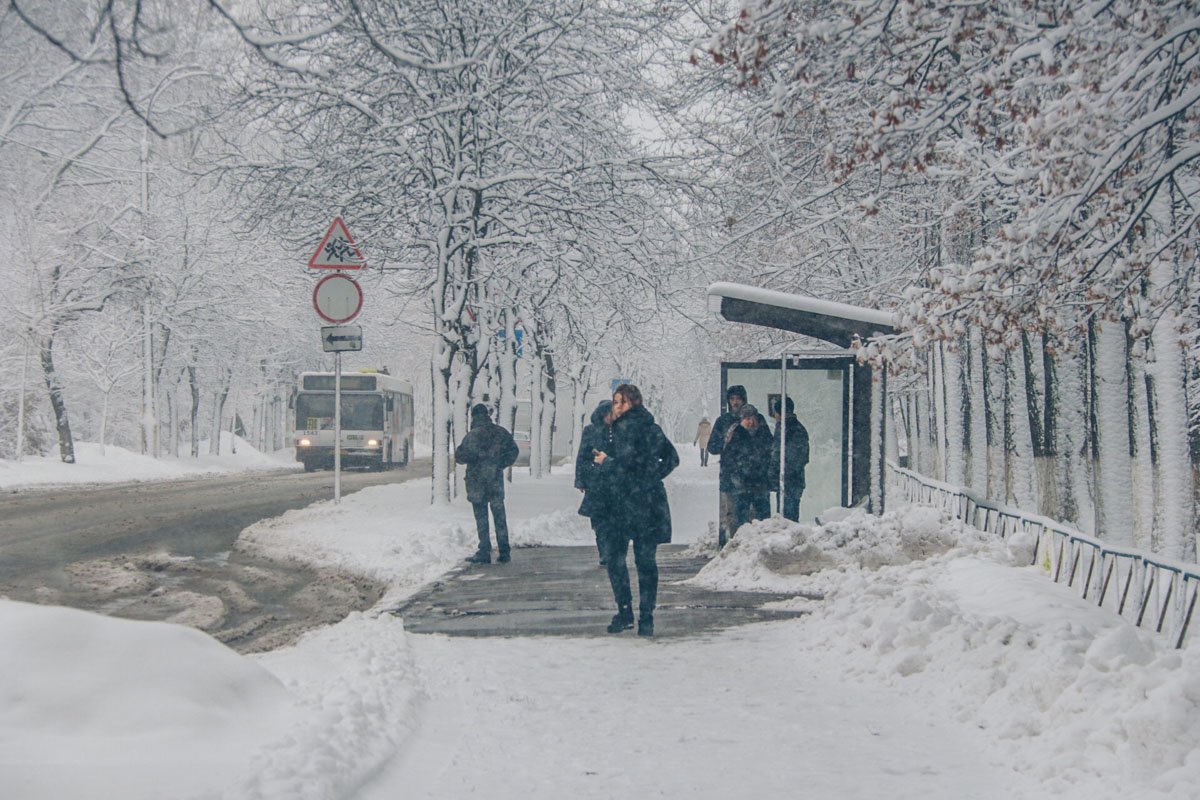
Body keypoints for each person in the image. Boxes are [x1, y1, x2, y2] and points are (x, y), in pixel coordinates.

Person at [593, 383, 678, 637]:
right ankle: (646, 616)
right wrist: (651, 478)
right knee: (645, 561)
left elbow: (626, 466)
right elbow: (672, 459)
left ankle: (626, 611)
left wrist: (607, 462)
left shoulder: (621, 431)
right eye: (615, 401)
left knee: (616, 559)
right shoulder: (652, 429)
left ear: (635, 402)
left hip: (621, 503)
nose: (617, 407)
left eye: (623, 402)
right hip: (648, 503)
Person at [455, 403, 520, 564]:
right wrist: (500, 464)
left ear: (474, 417)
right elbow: (514, 450)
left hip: (477, 481)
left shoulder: (472, 435)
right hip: (495, 479)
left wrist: (475, 459)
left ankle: (484, 550)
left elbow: (460, 457)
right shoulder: (500, 433)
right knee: (499, 514)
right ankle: (504, 551)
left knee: (481, 516)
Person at [721, 404, 774, 535]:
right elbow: (728, 459)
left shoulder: (763, 433)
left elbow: (769, 455)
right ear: (741, 420)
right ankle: (740, 542)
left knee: (763, 518)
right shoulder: (736, 434)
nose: (751, 422)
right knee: (740, 518)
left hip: (760, 483)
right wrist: (736, 475)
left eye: (753, 418)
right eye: (747, 419)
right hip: (741, 484)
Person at [705, 385, 747, 546]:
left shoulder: (754, 419)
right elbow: (712, 447)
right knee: (732, 514)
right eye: (732, 399)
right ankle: (734, 545)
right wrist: (725, 441)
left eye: (738, 399)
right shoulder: (723, 421)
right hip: (730, 475)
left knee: (750, 514)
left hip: (752, 478)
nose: (735, 402)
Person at [575, 399, 615, 566]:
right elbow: (582, 456)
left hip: (615, 483)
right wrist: (581, 480)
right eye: (609, 414)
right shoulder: (590, 431)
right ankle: (604, 552)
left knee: (615, 521)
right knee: (599, 521)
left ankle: (613, 552)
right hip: (596, 482)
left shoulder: (621, 431)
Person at [769, 396, 810, 522]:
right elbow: (803, 456)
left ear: (777, 413)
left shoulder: (783, 429)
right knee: (791, 516)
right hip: (795, 480)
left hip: (786, 480)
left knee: (785, 519)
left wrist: (773, 473)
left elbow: (777, 455)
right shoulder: (799, 428)